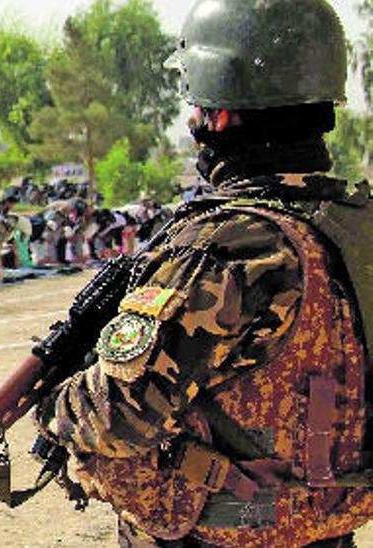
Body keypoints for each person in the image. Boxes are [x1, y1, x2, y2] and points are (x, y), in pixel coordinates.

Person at [33, 1, 373, 546]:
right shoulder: (357, 228)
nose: (193, 121)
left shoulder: (225, 250)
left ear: (223, 115)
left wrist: (55, 406)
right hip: (329, 527)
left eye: (197, 104)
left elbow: (117, 414)